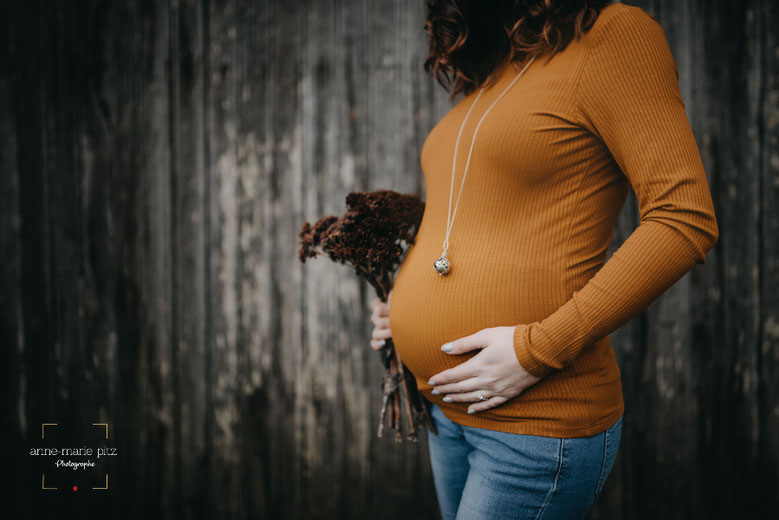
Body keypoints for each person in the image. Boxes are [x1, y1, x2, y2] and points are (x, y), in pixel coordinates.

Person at [369, 0, 719, 518]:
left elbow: (683, 217)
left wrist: (538, 349)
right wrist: (403, 300)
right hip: (446, 415)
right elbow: (477, 222)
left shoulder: (613, 35)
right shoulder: (490, 70)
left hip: (534, 425)